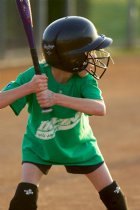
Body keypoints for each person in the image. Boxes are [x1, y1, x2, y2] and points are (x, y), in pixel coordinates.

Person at [0, 16, 128, 210]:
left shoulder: (84, 79)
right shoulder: (35, 76)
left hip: (80, 146)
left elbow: (99, 108)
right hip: (40, 146)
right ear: (71, 58)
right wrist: (28, 87)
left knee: (114, 196)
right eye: (87, 52)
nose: (92, 57)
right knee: (24, 199)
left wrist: (56, 98)